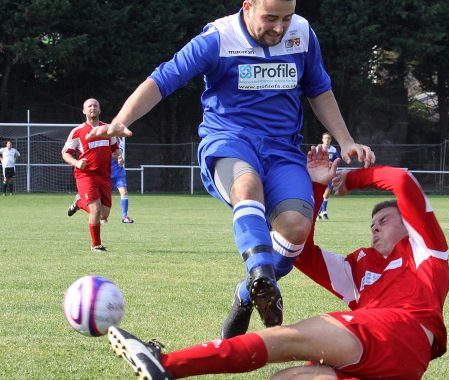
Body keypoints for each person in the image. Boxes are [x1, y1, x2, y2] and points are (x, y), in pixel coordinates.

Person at [88, 0, 375, 335]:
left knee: (296, 227)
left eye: (286, 18)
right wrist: (121, 119)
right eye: (270, 18)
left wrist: (346, 139)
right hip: (229, 142)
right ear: (248, 7)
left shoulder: (303, 34)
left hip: (282, 151)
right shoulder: (218, 38)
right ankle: (260, 275)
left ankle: (248, 292)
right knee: (246, 184)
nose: (279, 28)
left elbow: (319, 90)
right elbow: (164, 78)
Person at [107, 146, 449, 380]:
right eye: (372, 224)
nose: (375, 228)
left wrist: (350, 180)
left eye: (385, 220)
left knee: (282, 339)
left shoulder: (425, 249)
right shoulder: (358, 266)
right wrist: (316, 189)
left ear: (408, 223)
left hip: (400, 334)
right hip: (392, 365)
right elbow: (302, 250)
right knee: (283, 378)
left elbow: (401, 181)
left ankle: (166, 363)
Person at [62, 98, 123, 252]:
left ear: (99, 110)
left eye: (95, 105)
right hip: (85, 175)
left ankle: (79, 202)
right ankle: (96, 245)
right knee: (95, 210)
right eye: (89, 106)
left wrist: (119, 156)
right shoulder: (78, 131)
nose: (92, 108)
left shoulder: (108, 130)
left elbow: (115, 148)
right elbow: (65, 153)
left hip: (104, 176)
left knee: (104, 215)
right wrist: (76, 163)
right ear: (84, 111)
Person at [316, 132, 341, 220]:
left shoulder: (333, 150)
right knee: (319, 194)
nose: (327, 140)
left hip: (329, 174)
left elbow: (337, 161)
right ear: (322, 140)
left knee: (327, 193)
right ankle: (320, 212)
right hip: (319, 174)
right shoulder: (318, 149)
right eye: (325, 138)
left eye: (329, 138)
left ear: (331, 140)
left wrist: (332, 164)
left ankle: (324, 212)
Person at [109, 148, 134, 224]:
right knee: (103, 196)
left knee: (124, 193)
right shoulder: (103, 141)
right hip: (107, 174)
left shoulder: (119, 142)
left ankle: (125, 217)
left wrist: (121, 161)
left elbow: (121, 159)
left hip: (119, 174)